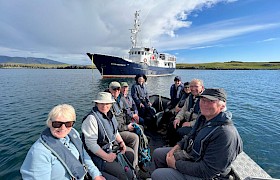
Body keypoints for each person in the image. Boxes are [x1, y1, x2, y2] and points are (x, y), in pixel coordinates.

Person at [151, 88, 243, 179]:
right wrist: (175, 148)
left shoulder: (225, 134)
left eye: (211, 101)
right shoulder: (203, 118)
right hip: (193, 157)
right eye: (202, 100)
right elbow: (190, 136)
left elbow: (207, 171)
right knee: (158, 154)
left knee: (158, 174)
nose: (204, 104)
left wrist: (175, 165)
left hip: (207, 175)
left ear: (222, 106)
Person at [20, 104, 105, 180]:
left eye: (68, 124)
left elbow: (83, 155)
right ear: (50, 123)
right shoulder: (39, 152)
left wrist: (96, 174)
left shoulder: (73, 133)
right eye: (57, 124)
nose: (63, 128)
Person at [82, 92, 133, 180]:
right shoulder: (91, 119)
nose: (105, 106)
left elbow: (115, 131)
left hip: (111, 148)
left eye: (107, 103)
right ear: (96, 104)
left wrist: (121, 142)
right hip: (98, 156)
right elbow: (91, 145)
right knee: (121, 174)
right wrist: (107, 157)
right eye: (101, 103)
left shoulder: (109, 114)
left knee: (130, 155)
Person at [108, 82, 140, 169]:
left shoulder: (120, 99)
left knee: (140, 129)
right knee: (135, 138)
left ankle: (138, 158)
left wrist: (131, 121)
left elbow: (126, 112)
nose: (116, 91)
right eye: (114, 89)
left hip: (124, 125)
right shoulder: (108, 104)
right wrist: (127, 127)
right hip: (117, 132)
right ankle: (135, 165)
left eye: (118, 89)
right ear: (109, 89)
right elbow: (112, 126)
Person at [167, 79, 204, 146]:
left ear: (202, 87)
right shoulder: (190, 97)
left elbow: (203, 119)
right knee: (172, 124)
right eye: (191, 86)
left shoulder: (205, 100)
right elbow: (183, 110)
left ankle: (179, 147)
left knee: (181, 131)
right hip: (187, 119)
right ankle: (171, 145)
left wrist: (190, 124)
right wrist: (178, 118)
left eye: (196, 86)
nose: (193, 89)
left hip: (197, 126)